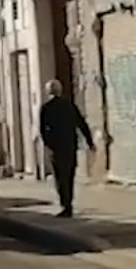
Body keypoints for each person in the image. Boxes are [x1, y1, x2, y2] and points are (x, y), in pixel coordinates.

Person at [38, 79, 96, 218]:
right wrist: (90, 142)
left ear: (48, 92)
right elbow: (81, 123)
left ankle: (65, 204)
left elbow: (42, 130)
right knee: (69, 175)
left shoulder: (46, 108)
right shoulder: (69, 105)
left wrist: (48, 144)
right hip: (70, 145)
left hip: (56, 147)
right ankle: (69, 203)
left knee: (59, 176)